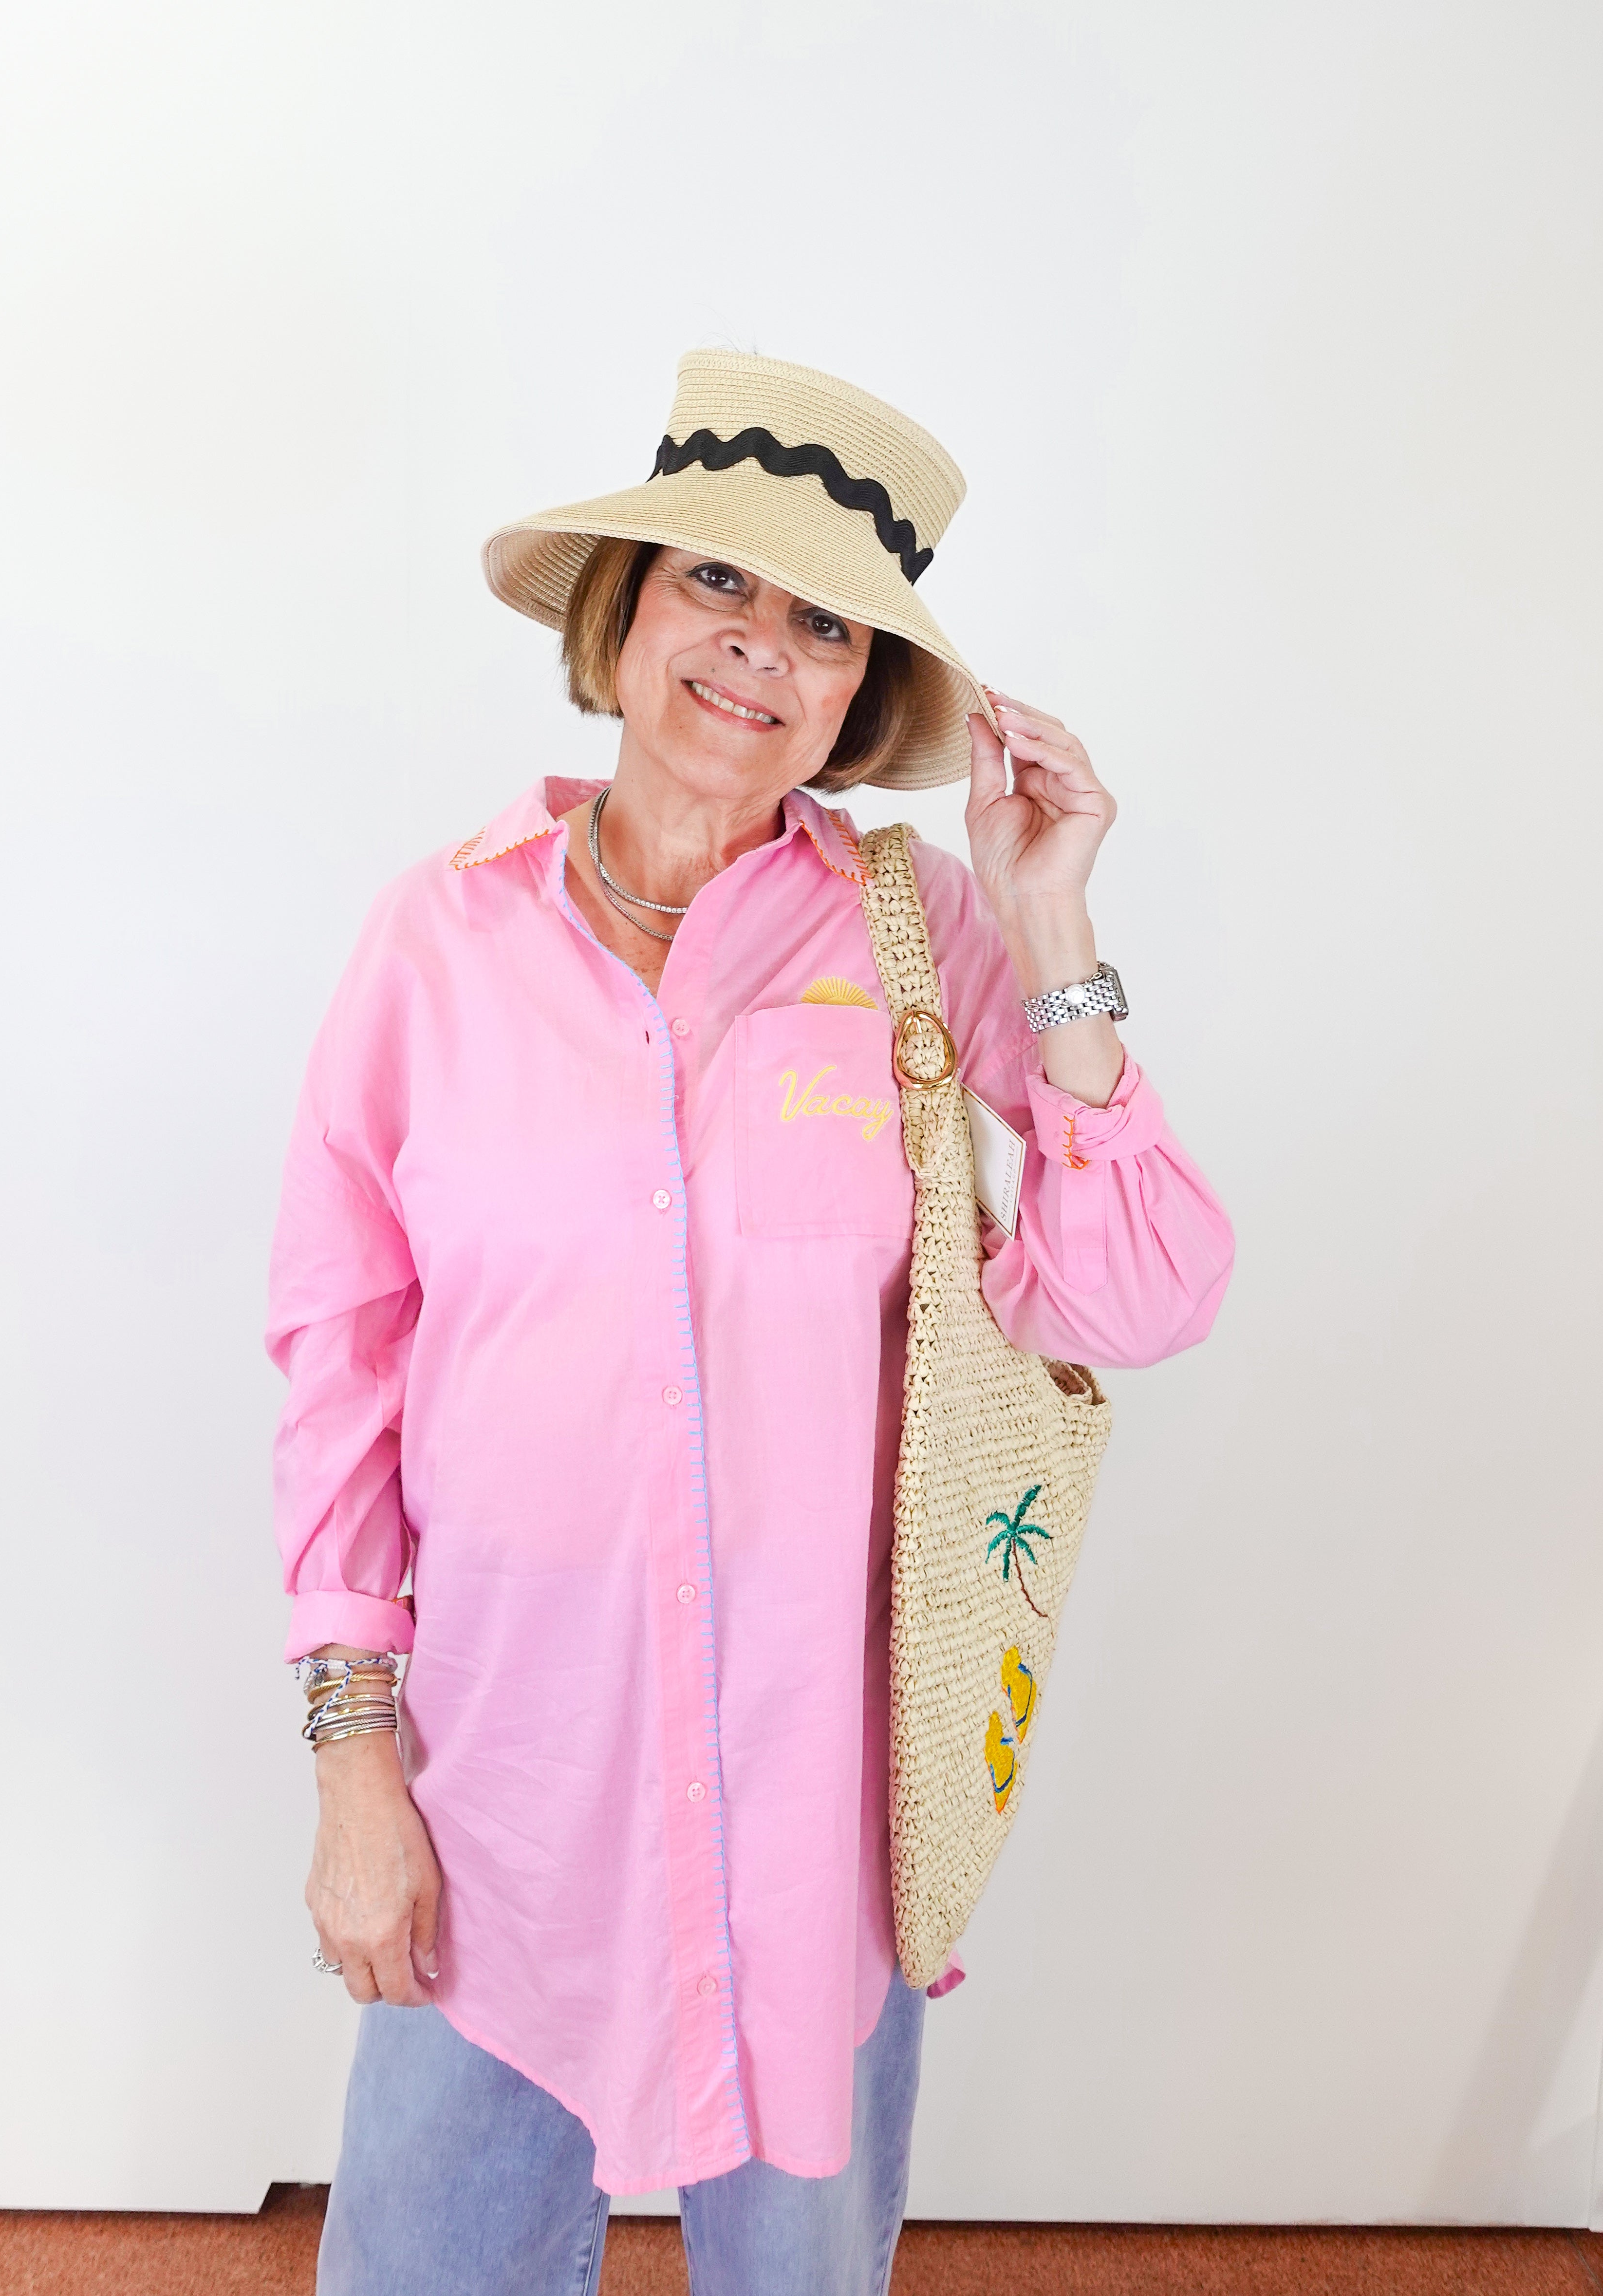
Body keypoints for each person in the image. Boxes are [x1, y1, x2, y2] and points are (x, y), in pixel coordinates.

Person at [266, 350, 1233, 2296]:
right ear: (621, 613)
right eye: (718, 586)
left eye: (821, 626)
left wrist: (1048, 925)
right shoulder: (433, 944)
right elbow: (339, 1365)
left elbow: (1138, 1288)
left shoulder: (913, 937)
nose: (758, 652)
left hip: (814, 1825)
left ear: (858, 696)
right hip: (503, 1802)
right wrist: (356, 1765)